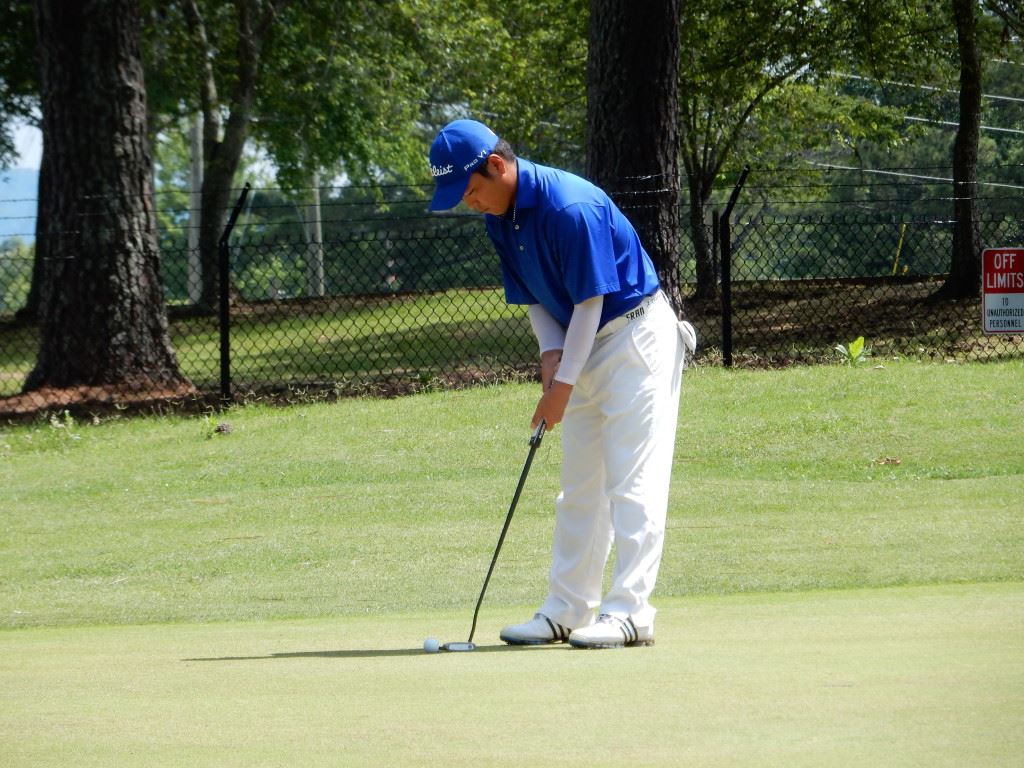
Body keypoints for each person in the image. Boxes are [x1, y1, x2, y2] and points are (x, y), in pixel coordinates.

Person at [428, 119, 696, 649]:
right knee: (579, 489)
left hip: (635, 340)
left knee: (631, 484)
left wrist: (562, 386)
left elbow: (591, 301)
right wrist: (551, 357)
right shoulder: (499, 219)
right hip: (584, 344)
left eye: (472, 190)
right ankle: (567, 609)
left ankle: (630, 614)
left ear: (497, 166)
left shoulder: (570, 206)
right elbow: (533, 298)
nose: (470, 203)